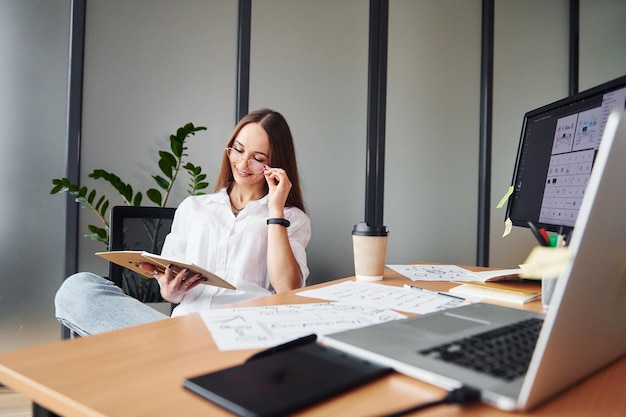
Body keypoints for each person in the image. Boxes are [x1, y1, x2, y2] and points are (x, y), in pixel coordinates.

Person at [55, 108, 311, 336]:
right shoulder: (194, 208)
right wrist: (171, 291)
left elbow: (288, 288)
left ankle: (162, 359)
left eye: (258, 159)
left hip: (244, 332)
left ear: (274, 165)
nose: (242, 163)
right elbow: (169, 290)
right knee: (78, 289)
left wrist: (275, 209)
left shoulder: (290, 218)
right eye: (238, 150)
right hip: (183, 330)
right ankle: (170, 355)